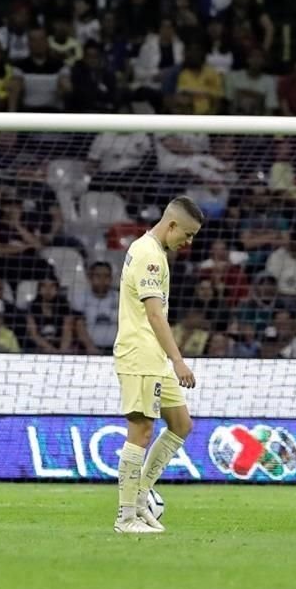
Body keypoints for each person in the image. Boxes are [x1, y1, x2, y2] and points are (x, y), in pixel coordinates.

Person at [113, 196, 202, 534]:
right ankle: (126, 517)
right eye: (188, 234)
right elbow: (153, 314)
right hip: (141, 355)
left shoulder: (149, 250)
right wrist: (179, 360)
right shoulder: (150, 256)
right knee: (141, 430)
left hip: (154, 358)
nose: (189, 242)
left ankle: (140, 497)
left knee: (181, 424)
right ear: (172, 224)